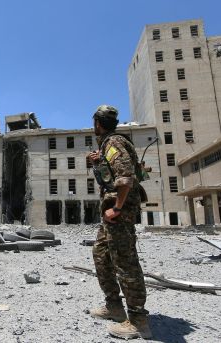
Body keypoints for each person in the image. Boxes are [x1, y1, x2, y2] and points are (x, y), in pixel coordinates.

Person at [87, 105, 152, 339]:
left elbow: (125, 179)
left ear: (97, 123)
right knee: (101, 254)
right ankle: (114, 306)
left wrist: (117, 208)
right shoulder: (108, 145)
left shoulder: (114, 143)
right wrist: (96, 162)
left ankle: (138, 320)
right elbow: (111, 175)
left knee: (125, 262)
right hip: (113, 212)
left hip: (118, 211)